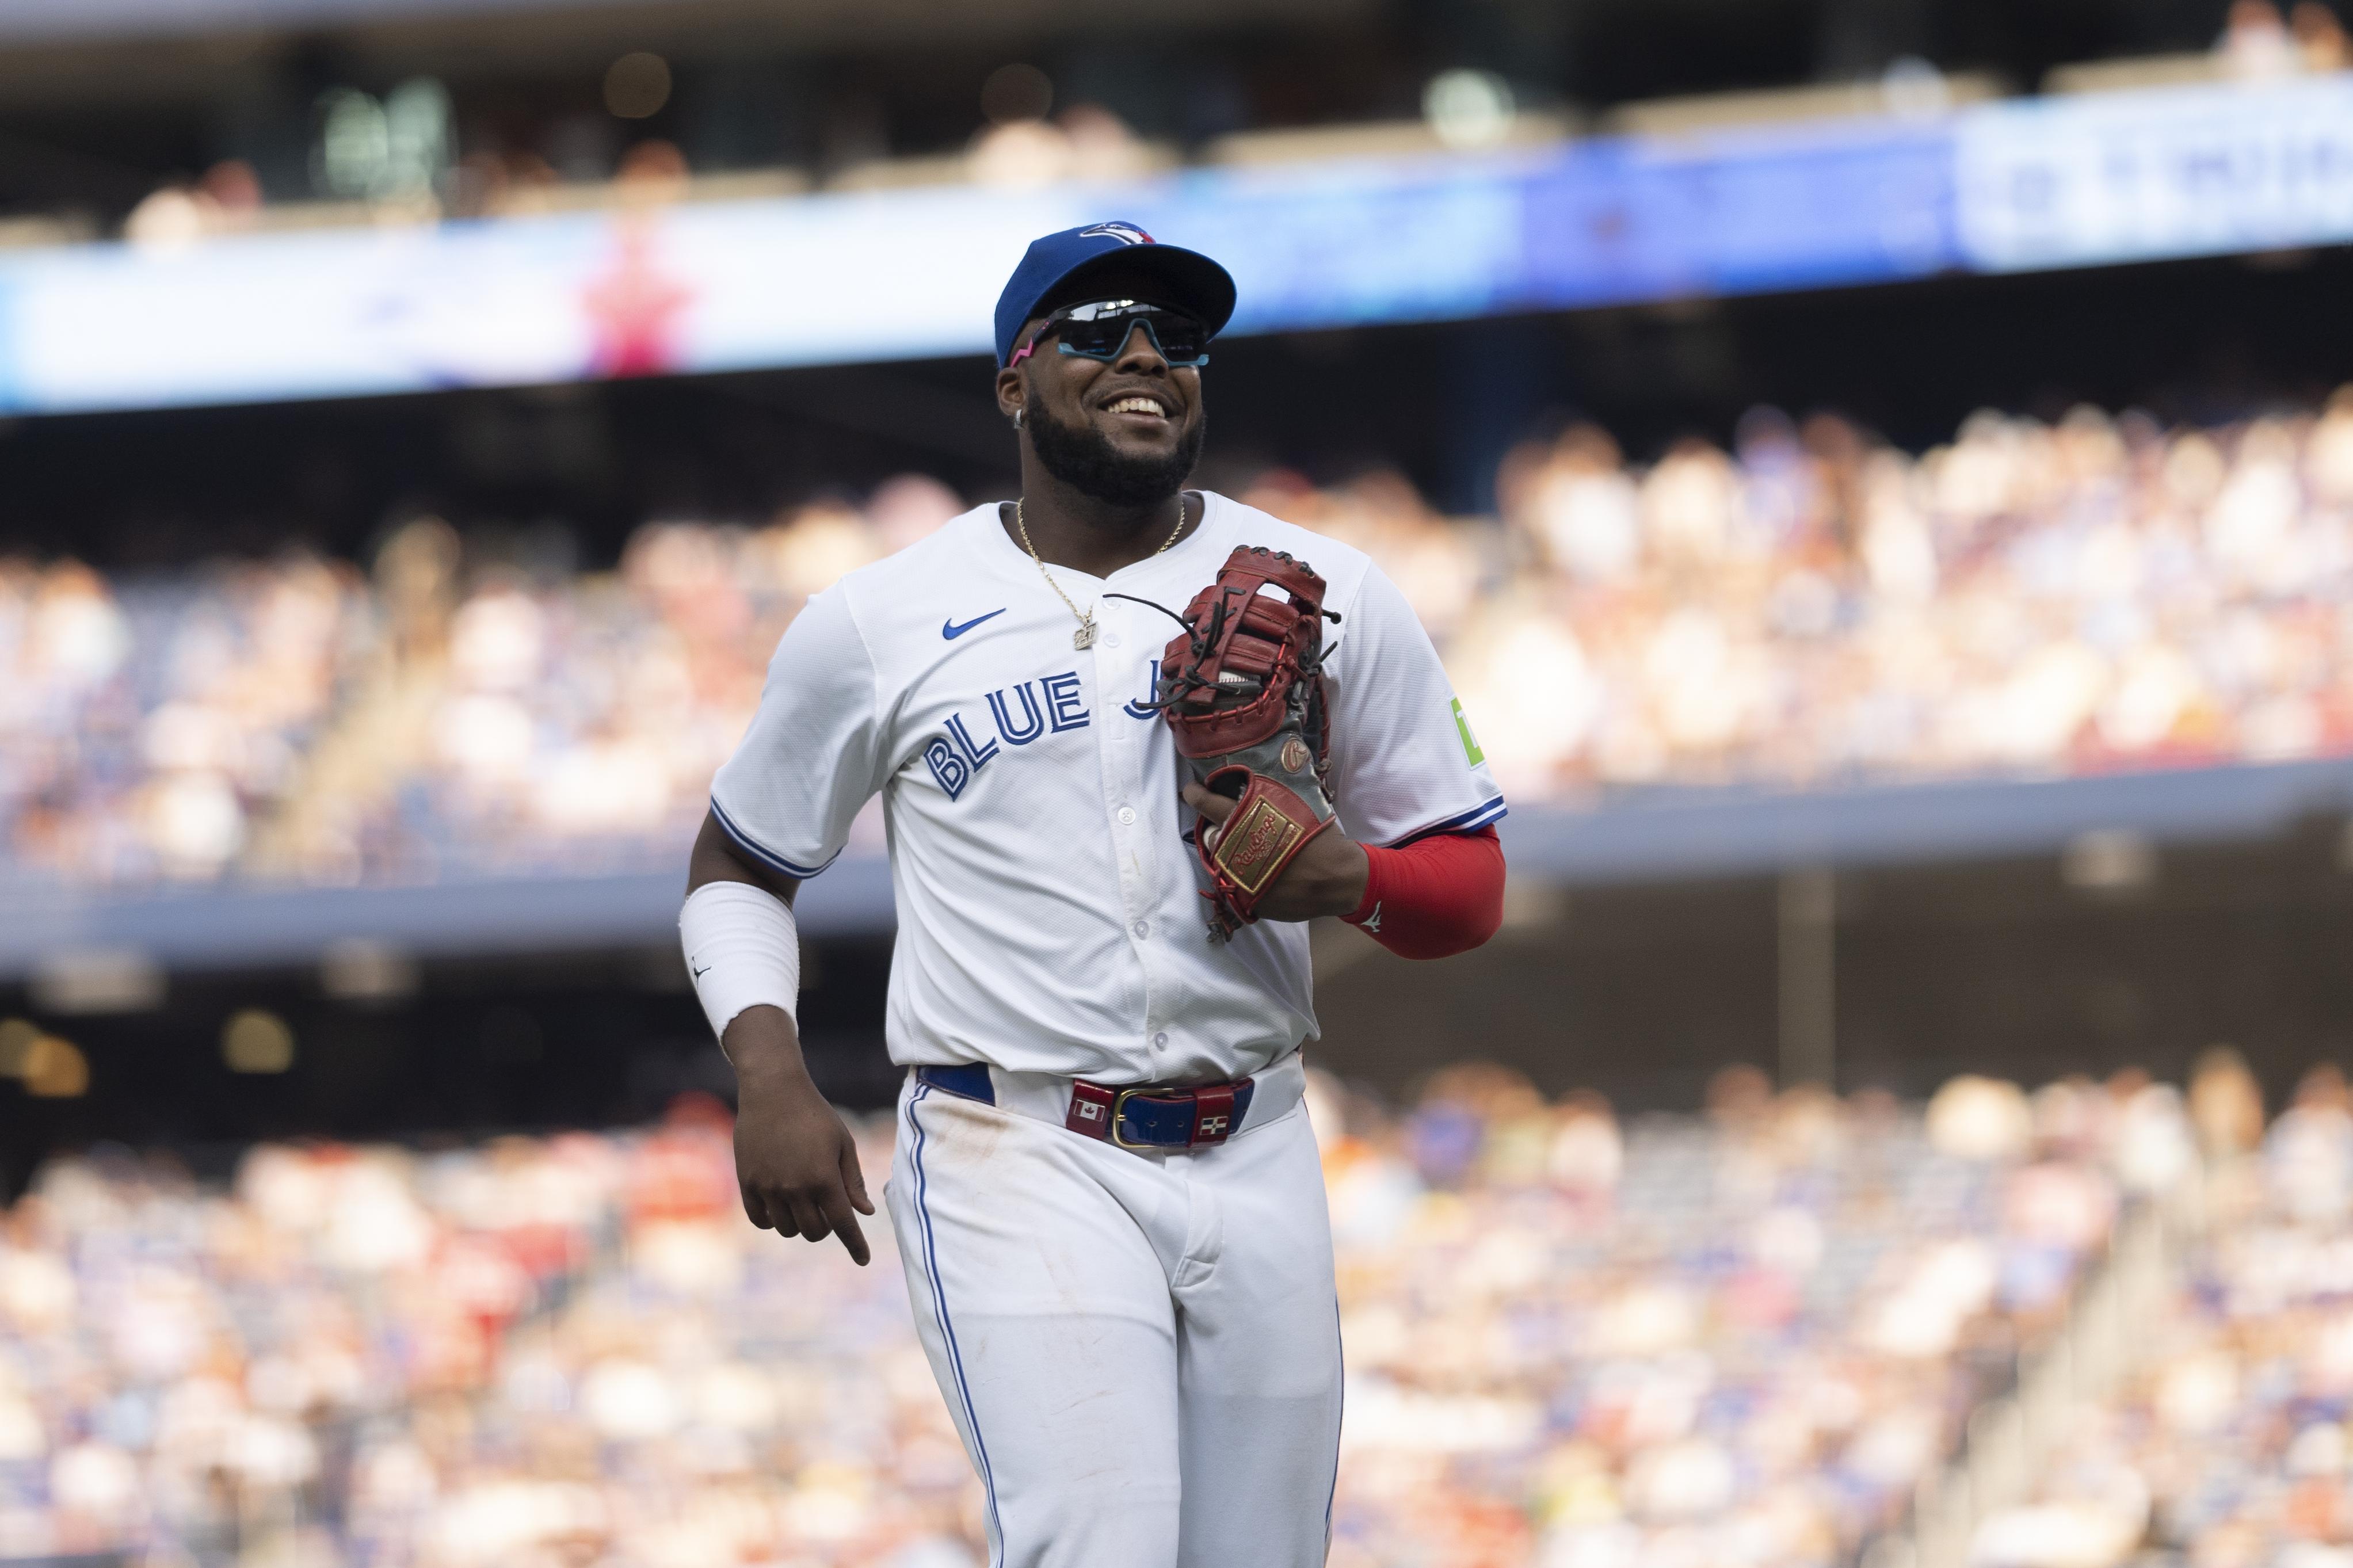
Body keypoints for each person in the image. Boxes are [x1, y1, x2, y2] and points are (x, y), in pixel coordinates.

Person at [678, 220, 1508, 1567]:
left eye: (1173, 336)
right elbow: (740, 866)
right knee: (1096, 1546)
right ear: (1013, 381)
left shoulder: (1330, 590)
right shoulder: (877, 620)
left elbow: (1467, 886)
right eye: (1093, 329)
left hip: (1257, 1140)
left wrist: (1340, 875)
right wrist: (766, 1071)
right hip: (1020, 1144)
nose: (1142, 355)